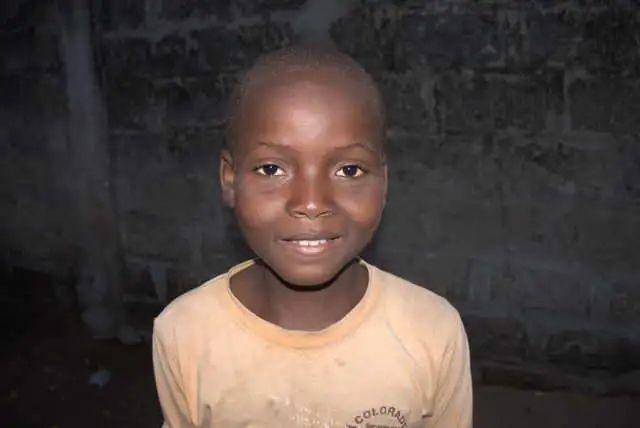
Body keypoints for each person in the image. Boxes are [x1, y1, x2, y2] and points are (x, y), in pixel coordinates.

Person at [152, 43, 473, 428]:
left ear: (383, 182)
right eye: (271, 169)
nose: (311, 203)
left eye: (349, 170)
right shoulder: (184, 333)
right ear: (229, 179)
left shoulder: (433, 332)